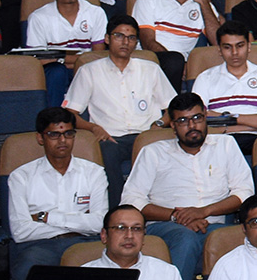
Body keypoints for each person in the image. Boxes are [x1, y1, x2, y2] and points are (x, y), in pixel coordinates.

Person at [121, 92, 253, 280]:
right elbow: (131, 200)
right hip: (166, 225)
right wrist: (177, 217)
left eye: (197, 118)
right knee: (185, 238)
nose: (192, 126)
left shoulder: (226, 145)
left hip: (213, 224)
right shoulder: (153, 152)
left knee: (244, 237)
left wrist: (203, 211)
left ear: (205, 116)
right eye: (183, 121)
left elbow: (244, 193)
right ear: (173, 126)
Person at [6, 107, 109, 280]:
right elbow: (21, 231)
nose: (62, 141)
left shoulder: (94, 173)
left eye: (68, 134)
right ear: (40, 138)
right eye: (54, 135)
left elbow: (98, 224)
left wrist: (46, 217)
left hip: (86, 242)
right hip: (41, 246)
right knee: (28, 270)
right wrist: (78, 222)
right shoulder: (21, 177)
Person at [61, 17, 176, 185]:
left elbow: (174, 108)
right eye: (119, 36)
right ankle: (117, 201)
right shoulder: (89, 71)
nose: (125, 42)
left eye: (131, 38)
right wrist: (93, 128)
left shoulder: (150, 69)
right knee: (107, 151)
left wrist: (159, 124)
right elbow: (69, 114)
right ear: (107, 39)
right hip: (111, 138)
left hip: (146, 135)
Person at [78, 204, 196, 280]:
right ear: (104, 235)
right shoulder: (84, 276)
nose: (129, 235)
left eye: (136, 229)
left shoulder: (167, 273)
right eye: (121, 228)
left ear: (144, 236)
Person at [191, 24, 257, 147]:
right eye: (227, 47)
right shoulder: (205, 78)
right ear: (219, 50)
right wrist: (255, 121)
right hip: (217, 141)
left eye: (240, 46)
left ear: (249, 46)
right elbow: (198, 119)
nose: (234, 52)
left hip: (255, 141)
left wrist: (224, 117)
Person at [132, 0, 215, 86]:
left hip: (183, 63)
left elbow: (217, 41)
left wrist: (204, 2)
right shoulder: (148, 0)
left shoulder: (201, 3)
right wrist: (178, 64)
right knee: (174, 61)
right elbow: (147, 42)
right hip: (151, 60)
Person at [25, 0, 107, 50]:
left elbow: (98, 53)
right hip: (54, 59)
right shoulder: (38, 18)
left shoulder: (96, 12)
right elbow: (38, 55)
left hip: (89, 59)